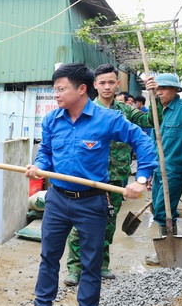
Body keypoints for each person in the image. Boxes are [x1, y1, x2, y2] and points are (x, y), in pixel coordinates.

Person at [14, 63, 156, 306]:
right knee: (49, 256)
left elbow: (142, 140)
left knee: (91, 264)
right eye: (54, 89)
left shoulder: (107, 119)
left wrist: (140, 179)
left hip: (91, 203)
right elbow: (46, 152)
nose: (56, 94)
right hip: (57, 199)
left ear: (81, 89)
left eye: (61, 88)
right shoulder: (53, 119)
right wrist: (40, 167)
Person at [63, 64, 160, 286]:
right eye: (102, 82)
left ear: (117, 84)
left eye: (111, 82)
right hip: (89, 177)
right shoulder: (84, 109)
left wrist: (155, 97)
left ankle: (101, 265)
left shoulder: (124, 111)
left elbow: (152, 121)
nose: (107, 87)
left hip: (116, 176)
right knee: (80, 224)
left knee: (107, 222)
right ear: (94, 85)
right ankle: (75, 268)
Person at [143, 74, 182, 265]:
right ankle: (168, 248)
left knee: (163, 209)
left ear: (176, 90)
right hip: (158, 169)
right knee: (159, 207)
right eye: (156, 89)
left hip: (175, 169)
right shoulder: (156, 111)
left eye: (164, 89)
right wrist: (151, 170)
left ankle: (168, 251)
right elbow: (154, 140)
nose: (159, 92)